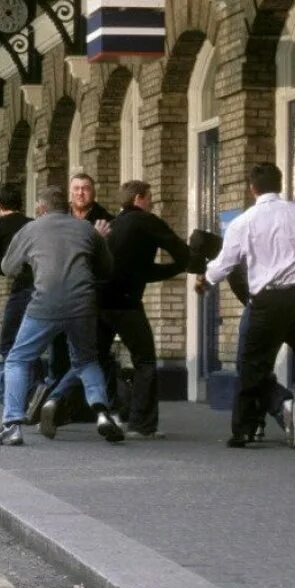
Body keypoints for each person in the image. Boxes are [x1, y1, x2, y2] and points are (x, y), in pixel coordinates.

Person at [200, 163, 295, 451]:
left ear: (252, 188)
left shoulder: (244, 222)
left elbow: (225, 262)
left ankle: (242, 432)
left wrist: (205, 281)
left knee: (252, 366)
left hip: (267, 303)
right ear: (280, 184)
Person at [0, 184, 120, 447]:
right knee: (87, 361)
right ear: (67, 206)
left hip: (44, 305)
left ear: (41, 208)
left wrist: (33, 261)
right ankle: (103, 415)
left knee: (18, 359)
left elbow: (7, 267)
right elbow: (107, 269)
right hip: (83, 304)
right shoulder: (86, 229)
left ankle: (12, 426)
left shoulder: (30, 229)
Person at [97, 180, 189, 438]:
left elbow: (140, 271)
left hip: (98, 303)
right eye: (150, 198)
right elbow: (179, 251)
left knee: (96, 359)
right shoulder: (147, 221)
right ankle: (142, 424)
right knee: (145, 360)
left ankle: (104, 410)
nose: (152, 203)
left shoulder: (113, 225)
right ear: (139, 198)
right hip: (127, 304)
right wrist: (186, 264)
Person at [0, 183, 34, 408]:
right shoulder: (32, 224)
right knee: (33, 340)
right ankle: (34, 389)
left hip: (20, 287)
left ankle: (6, 392)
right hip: (41, 287)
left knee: (8, 342)